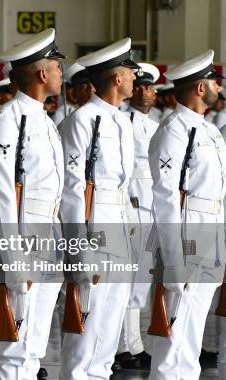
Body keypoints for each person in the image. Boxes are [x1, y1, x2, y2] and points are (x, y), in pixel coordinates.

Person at [0, 28, 65, 380]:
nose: (62, 74)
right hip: (22, 244)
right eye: (57, 67)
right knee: (14, 348)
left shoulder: (45, 121)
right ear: (42, 73)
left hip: (48, 240)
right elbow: (2, 193)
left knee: (34, 346)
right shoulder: (6, 120)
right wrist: (12, 258)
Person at [59, 37, 139, 379]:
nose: (136, 79)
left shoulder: (121, 121)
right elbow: (73, 190)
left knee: (110, 325)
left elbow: (125, 187)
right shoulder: (83, 120)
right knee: (86, 328)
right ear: (117, 78)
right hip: (93, 232)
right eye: (130, 73)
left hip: (119, 230)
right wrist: (78, 249)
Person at [148, 49, 226, 380]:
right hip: (188, 234)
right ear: (199, 88)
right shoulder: (175, 130)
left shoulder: (207, 130)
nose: (217, 88)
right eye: (212, 82)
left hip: (210, 231)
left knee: (193, 329)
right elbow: (166, 197)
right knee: (176, 326)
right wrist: (174, 256)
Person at [113, 63, 161, 370]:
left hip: (152, 208)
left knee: (140, 281)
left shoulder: (157, 125)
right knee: (127, 280)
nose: (144, 92)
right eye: (140, 86)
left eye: (150, 88)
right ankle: (123, 346)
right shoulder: (123, 120)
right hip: (133, 209)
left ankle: (133, 344)